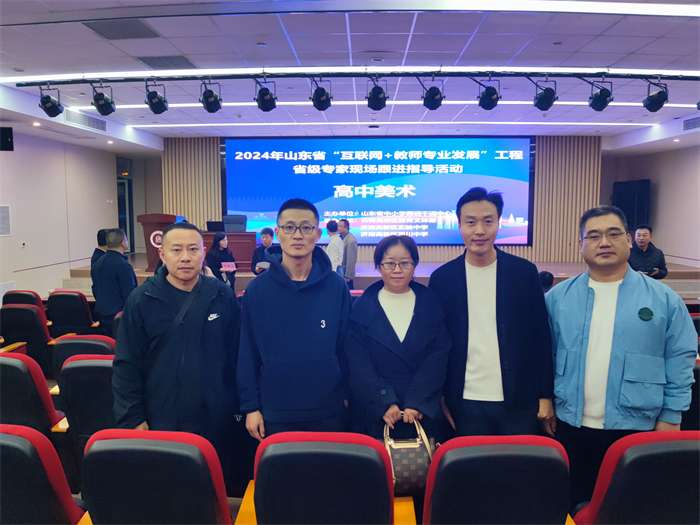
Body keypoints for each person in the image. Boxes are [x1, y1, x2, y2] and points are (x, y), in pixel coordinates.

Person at [545, 205, 696, 508]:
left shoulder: (664, 300)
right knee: (574, 506)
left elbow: (680, 359)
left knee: (631, 508)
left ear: (628, 240)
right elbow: (542, 356)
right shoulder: (557, 299)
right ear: (581, 245)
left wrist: (671, 416)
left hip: (639, 426)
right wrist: (545, 400)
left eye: (613, 234)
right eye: (594, 236)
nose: (604, 242)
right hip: (571, 426)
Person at [112, 222, 241, 493]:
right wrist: (133, 418)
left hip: (216, 419)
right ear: (162, 254)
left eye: (193, 249)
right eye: (177, 250)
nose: (185, 257)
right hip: (162, 418)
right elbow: (126, 363)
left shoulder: (222, 295)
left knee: (216, 491)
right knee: (168, 493)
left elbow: (237, 355)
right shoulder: (142, 299)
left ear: (203, 253)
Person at [429, 187, 554, 436]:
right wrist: (439, 395)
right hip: (462, 402)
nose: (479, 231)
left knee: (516, 462)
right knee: (469, 462)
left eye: (488, 221)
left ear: (499, 223)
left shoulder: (523, 273)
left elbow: (540, 337)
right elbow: (436, 344)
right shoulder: (443, 279)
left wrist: (545, 395)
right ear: (459, 225)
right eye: (470, 222)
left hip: (519, 399)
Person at [238, 198, 351, 440]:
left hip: (328, 410)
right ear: (278, 232)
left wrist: (348, 396)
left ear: (317, 234)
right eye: (289, 227)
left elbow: (346, 348)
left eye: (306, 228)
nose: (297, 235)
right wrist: (250, 406)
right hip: (274, 412)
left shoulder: (336, 287)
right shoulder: (258, 290)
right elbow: (247, 351)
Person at [346, 235, 450, 440]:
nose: (397, 270)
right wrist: (385, 401)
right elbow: (358, 362)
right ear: (379, 266)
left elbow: (438, 356)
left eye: (405, 263)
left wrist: (417, 402)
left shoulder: (431, 304)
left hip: (422, 410)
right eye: (389, 263)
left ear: (414, 265)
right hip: (376, 410)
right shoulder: (361, 307)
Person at [92, 228, 138, 336]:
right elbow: (129, 294)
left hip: (102, 314)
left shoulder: (98, 262)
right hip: (119, 317)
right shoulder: (123, 265)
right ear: (123, 242)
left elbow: (95, 288)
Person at [338, 219, 358, 289]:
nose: (338, 228)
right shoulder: (340, 237)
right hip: (340, 272)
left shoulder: (351, 240)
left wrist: (348, 276)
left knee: (348, 292)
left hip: (346, 274)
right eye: (338, 226)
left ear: (346, 228)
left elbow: (351, 260)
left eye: (340, 226)